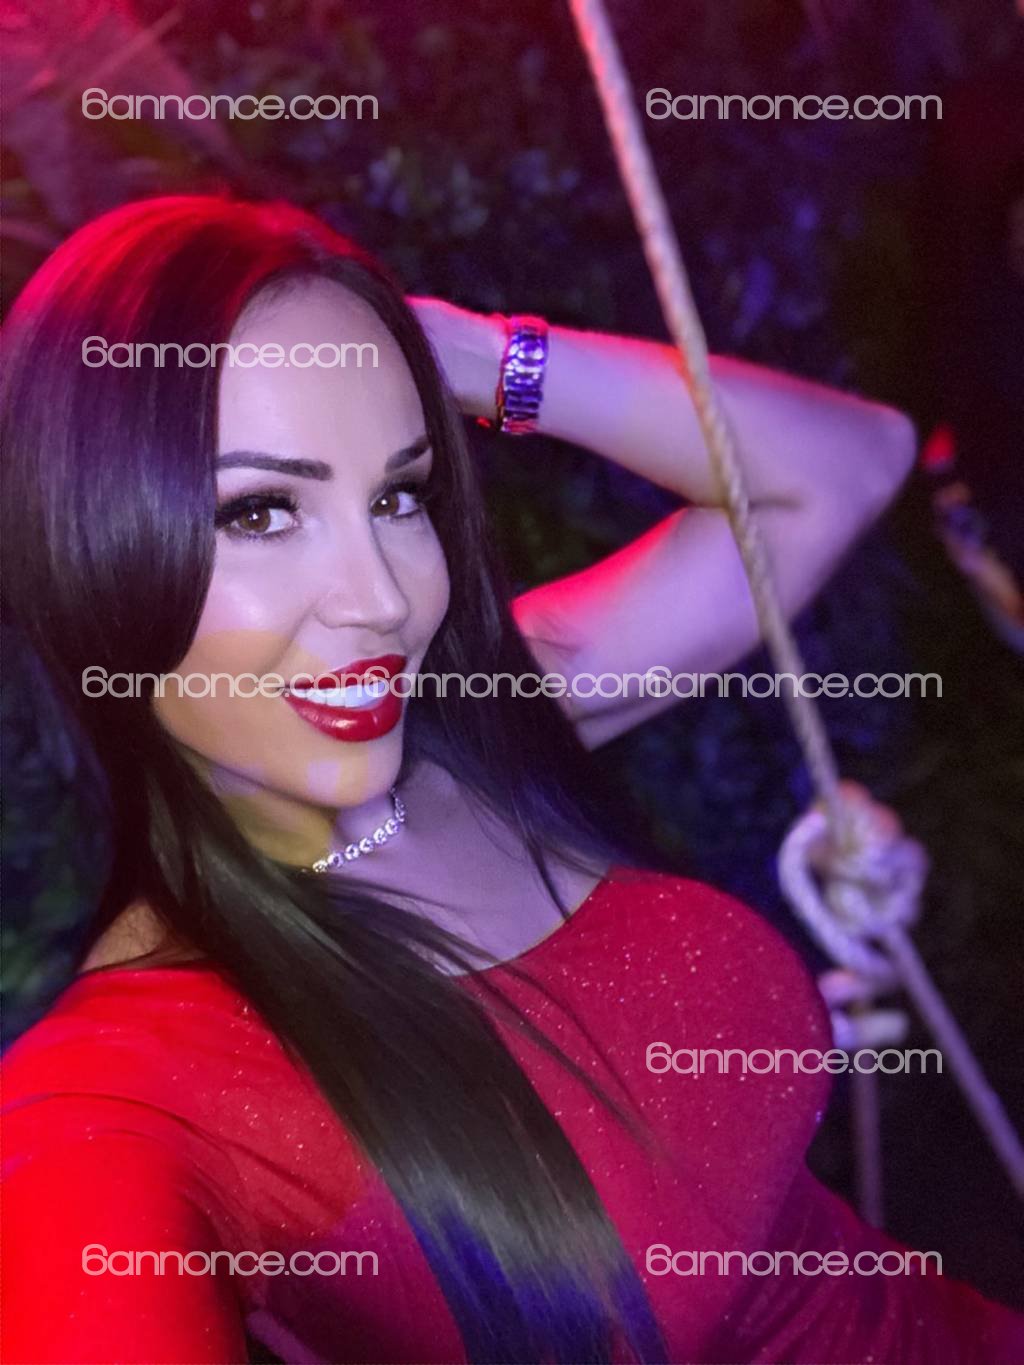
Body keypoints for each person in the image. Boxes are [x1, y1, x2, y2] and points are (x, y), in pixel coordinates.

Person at [1, 195, 1020, 1365]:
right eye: (262, 510)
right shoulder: (117, 1093)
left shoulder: (468, 722)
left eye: (397, 496)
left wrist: (468, 356)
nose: (385, 599)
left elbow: (844, 464)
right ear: (84, 543)